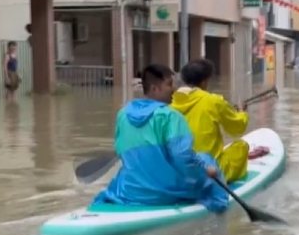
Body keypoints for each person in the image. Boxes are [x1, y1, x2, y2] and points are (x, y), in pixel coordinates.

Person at [93, 64, 228, 212]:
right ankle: (220, 210)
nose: (174, 89)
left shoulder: (122, 115)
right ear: (154, 88)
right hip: (164, 193)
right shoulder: (170, 116)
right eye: (169, 84)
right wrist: (205, 169)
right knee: (206, 159)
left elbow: (120, 150)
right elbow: (182, 155)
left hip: (130, 192)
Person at [170, 59, 251, 183]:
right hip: (211, 169)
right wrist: (242, 112)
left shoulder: (169, 105)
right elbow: (237, 128)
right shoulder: (213, 101)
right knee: (242, 146)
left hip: (180, 170)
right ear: (205, 81)